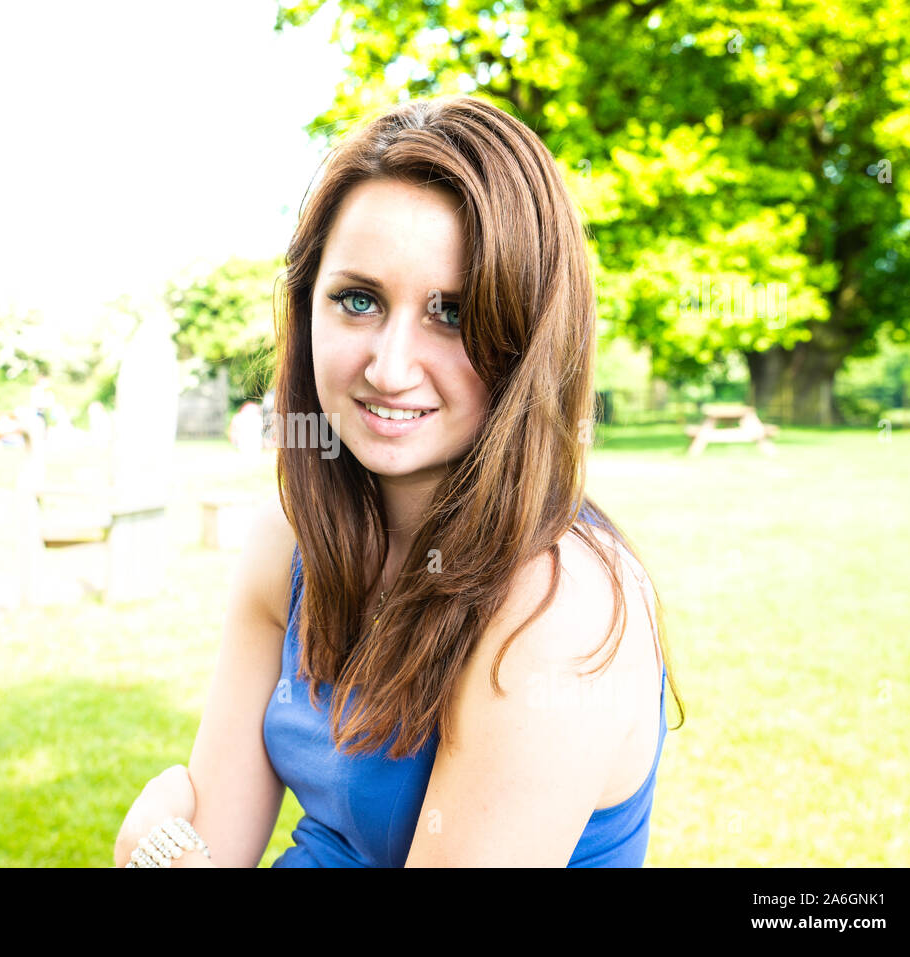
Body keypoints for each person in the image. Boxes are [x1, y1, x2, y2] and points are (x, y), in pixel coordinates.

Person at [114, 94, 684, 869]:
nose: (388, 367)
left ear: (528, 336)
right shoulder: (290, 543)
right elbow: (212, 835)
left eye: (451, 313)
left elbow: (185, 850)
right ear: (307, 307)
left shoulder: (556, 606)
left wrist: (156, 848)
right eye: (358, 300)